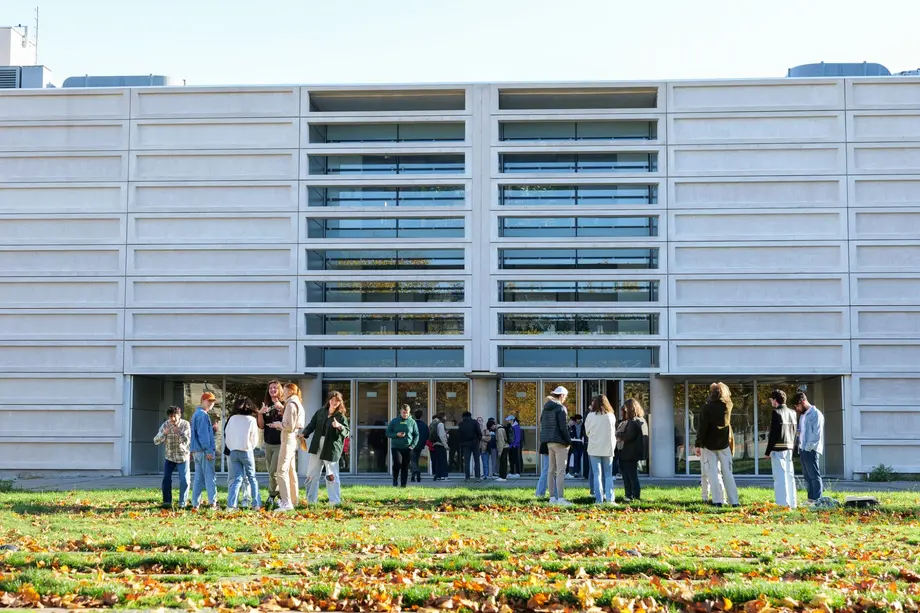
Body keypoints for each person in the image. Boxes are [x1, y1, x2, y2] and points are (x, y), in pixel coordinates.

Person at [300, 390, 350, 506]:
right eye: (332, 400)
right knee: (312, 474)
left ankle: (334, 501)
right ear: (329, 400)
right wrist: (304, 433)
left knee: (331, 474)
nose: (334, 402)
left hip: (331, 447)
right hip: (317, 445)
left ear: (340, 402)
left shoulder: (340, 416)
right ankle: (311, 501)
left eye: (337, 400)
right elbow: (312, 425)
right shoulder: (320, 412)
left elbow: (347, 432)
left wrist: (339, 426)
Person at [694, 383, 739, 507]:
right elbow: (728, 398)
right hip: (724, 443)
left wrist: (698, 444)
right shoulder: (728, 405)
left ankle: (717, 500)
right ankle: (734, 501)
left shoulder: (706, 408)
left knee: (713, 473)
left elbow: (702, 428)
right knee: (728, 473)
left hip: (709, 444)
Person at [225, 397, 261, 511]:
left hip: (233, 451)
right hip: (246, 451)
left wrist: (232, 447)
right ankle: (256, 504)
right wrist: (250, 446)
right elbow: (254, 439)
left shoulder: (232, 418)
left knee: (237, 479)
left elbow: (227, 435)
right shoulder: (251, 420)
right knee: (252, 478)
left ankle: (231, 505)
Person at [274, 383, 305, 512]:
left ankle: (286, 502)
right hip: (292, 439)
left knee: (281, 471)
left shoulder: (291, 404)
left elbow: (289, 426)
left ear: (291, 391)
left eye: (285, 390)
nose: (283, 393)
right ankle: (293, 500)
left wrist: (278, 424)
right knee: (291, 471)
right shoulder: (297, 403)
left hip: (288, 439)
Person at [539, 386, 572, 506]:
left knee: (551, 470)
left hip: (549, 442)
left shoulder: (545, 408)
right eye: (565, 396)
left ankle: (552, 498)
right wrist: (569, 441)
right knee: (561, 471)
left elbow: (542, 423)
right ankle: (561, 498)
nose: (565, 399)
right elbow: (563, 427)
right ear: (562, 395)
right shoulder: (561, 408)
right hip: (560, 442)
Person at [765, 389, 798, 509]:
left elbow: (773, 434)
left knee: (780, 477)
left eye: (771, 400)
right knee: (790, 475)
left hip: (778, 448)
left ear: (775, 400)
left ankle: (782, 503)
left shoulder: (776, 412)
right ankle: (792, 503)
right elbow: (795, 432)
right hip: (789, 447)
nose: (771, 402)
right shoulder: (793, 412)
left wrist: (768, 451)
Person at [153, 405, 191, 509]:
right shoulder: (165, 425)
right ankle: (167, 502)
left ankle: (182, 503)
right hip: (169, 457)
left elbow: (188, 441)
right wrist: (164, 434)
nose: (173, 419)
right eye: (170, 417)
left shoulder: (185, 424)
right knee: (166, 479)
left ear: (179, 415)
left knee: (184, 480)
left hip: (182, 457)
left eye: (175, 416)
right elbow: (155, 441)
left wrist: (179, 433)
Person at [584, 395, 617, 505]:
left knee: (597, 475)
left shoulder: (590, 415)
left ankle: (599, 500)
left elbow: (587, 432)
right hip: (608, 448)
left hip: (594, 447)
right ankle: (610, 499)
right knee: (608, 475)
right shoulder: (611, 415)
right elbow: (613, 431)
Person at [793, 392, 825, 504]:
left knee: (814, 475)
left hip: (811, 449)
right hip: (802, 448)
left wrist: (808, 448)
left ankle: (817, 500)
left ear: (803, 402)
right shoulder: (803, 415)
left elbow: (816, 434)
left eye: (797, 406)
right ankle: (810, 499)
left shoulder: (816, 414)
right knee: (807, 476)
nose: (797, 409)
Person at [257, 380, 285, 508]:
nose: (272, 390)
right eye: (270, 388)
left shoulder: (284, 404)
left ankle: (273, 495)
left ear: (279, 390)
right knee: (271, 472)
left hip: (280, 443)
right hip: (268, 443)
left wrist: (282, 408)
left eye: (275, 388)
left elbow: (289, 421)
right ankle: (278, 495)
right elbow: (261, 426)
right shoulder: (265, 405)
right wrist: (260, 413)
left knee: (274, 471)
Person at [190, 391, 218, 510]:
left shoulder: (196, 414)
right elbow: (203, 436)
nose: (211, 403)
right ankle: (213, 503)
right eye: (209, 401)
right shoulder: (202, 415)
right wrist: (209, 451)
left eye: (213, 401)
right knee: (210, 477)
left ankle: (195, 504)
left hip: (197, 451)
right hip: (204, 451)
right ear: (202, 401)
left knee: (198, 479)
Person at [617, 398, 647, 502]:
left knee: (629, 476)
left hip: (629, 453)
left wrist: (618, 434)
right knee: (630, 475)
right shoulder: (640, 420)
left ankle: (632, 495)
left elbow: (628, 436)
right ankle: (631, 495)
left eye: (625, 408)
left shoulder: (633, 421)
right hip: (633, 452)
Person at [387, 404, 419, 488]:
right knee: (397, 463)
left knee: (405, 466)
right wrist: (396, 434)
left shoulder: (412, 422)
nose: (405, 414)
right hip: (396, 447)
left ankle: (403, 484)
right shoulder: (394, 421)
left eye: (407, 413)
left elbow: (416, 435)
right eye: (404, 412)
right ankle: (395, 480)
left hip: (408, 447)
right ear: (400, 412)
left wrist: (413, 445)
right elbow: (388, 433)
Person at [458, 411, 483, 481]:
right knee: (477, 461)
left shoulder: (461, 424)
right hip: (475, 443)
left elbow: (459, 434)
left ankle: (467, 477)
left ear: (463, 417)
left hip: (466, 444)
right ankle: (477, 477)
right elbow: (479, 432)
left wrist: (462, 443)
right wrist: (478, 439)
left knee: (467, 461)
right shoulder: (474, 422)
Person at [430, 412, 449, 481]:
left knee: (438, 461)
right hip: (440, 444)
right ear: (442, 417)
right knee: (443, 461)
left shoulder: (434, 423)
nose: (446, 418)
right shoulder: (440, 424)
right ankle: (443, 476)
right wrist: (446, 445)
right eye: (445, 416)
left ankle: (438, 476)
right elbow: (441, 436)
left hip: (435, 444)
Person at [411, 410, 429, 483]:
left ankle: (416, 471)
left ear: (414, 415)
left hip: (412, 444)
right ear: (421, 416)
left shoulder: (412, 424)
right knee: (416, 460)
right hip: (420, 444)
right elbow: (427, 435)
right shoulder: (424, 425)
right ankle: (414, 476)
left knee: (412, 459)